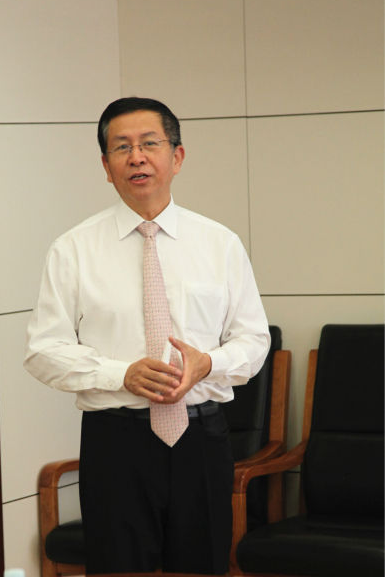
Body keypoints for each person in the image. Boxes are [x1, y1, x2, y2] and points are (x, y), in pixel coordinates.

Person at [24, 97, 270, 575]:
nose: (136, 157)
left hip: (201, 437)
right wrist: (122, 374)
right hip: (115, 441)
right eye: (122, 147)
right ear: (106, 167)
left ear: (177, 157)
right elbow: (43, 351)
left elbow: (253, 340)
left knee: (203, 566)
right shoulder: (73, 249)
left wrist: (208, 364)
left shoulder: (219, 243)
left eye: (149, 144)